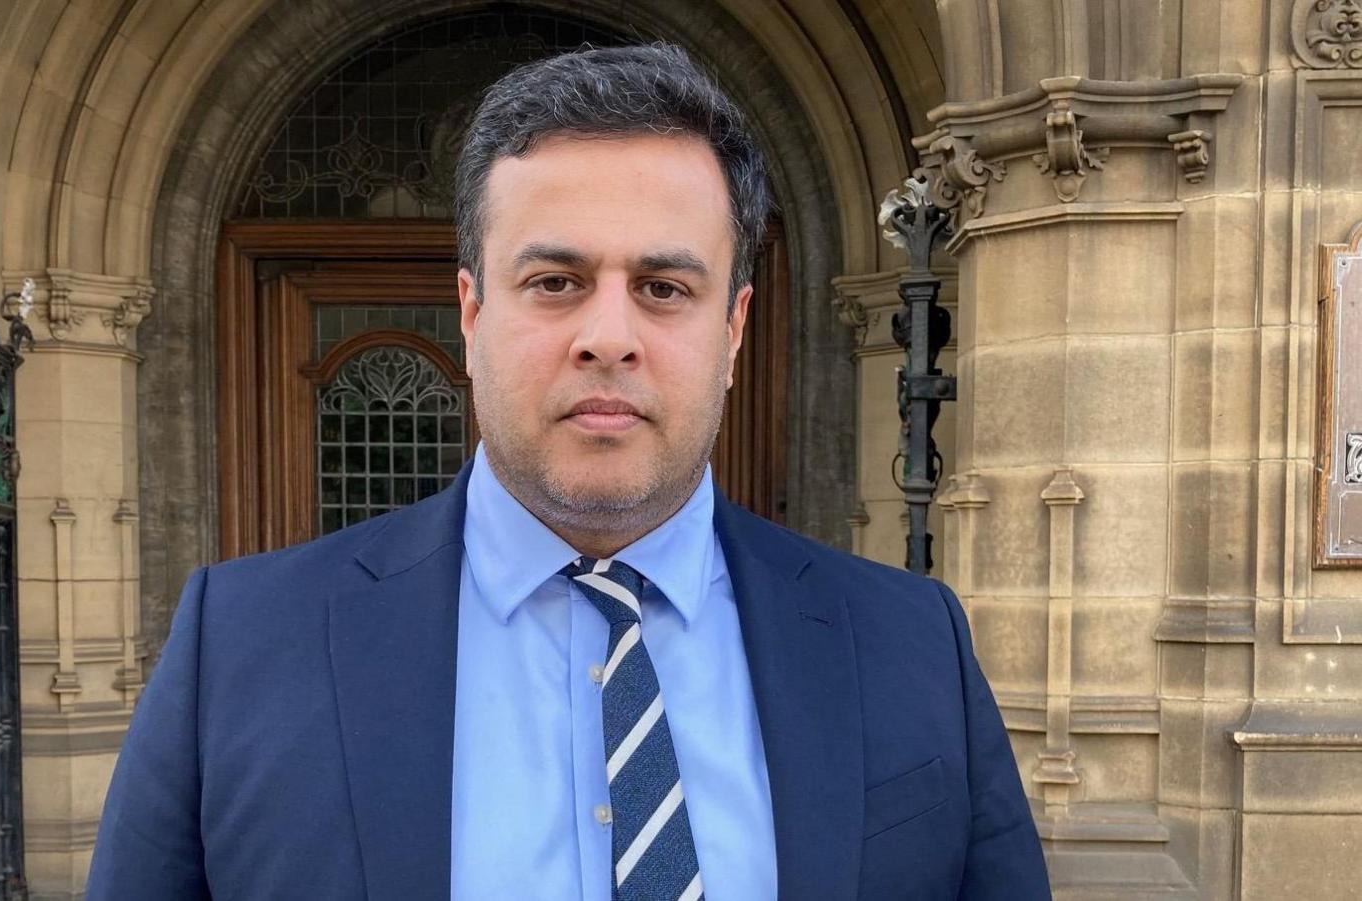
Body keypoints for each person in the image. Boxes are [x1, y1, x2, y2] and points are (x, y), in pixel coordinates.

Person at [86, 43, 1050, 900]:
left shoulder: (909, 642)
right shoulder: (241, 647)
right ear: (470, 315)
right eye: (556, 283)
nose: (608, 337)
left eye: (664, 288)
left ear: (734, 330)